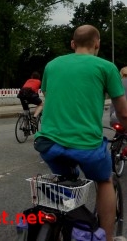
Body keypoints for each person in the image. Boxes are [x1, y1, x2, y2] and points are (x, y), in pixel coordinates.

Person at [34, 25, 127, 241]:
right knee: (103, 181)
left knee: (65, 179)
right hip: (87, 145)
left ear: (72, 44)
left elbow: (50, 95)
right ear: (97, 44)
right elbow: (122, 111)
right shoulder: (106, 67)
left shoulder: (52, 65)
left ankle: (65, 222)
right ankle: (107, 237)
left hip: (47, 142)